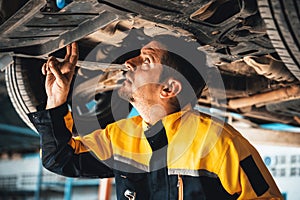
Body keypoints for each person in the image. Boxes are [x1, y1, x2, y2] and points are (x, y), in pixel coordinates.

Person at [28, 35, 283, 200]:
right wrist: (56, 99)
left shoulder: (220, 144)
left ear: (169, 89)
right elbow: (59, 159)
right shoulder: (121, 137)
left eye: (146, 60)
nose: (129, 62)